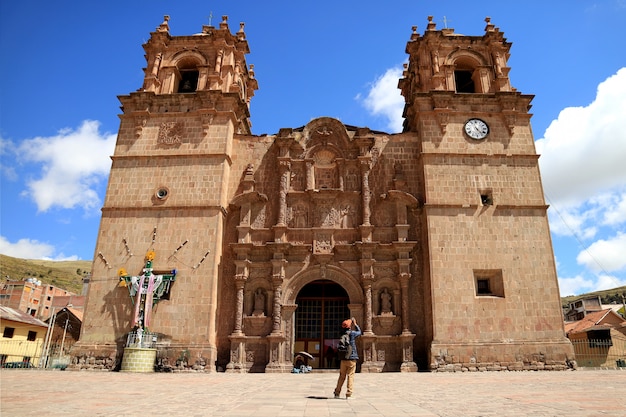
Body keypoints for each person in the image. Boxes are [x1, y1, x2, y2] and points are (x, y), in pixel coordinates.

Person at [334, 317, 362, 399]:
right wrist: (355, 324)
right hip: (352, 358)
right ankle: (349, 394)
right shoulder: (352, 334)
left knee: (341, 376)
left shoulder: (342, 334)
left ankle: (337, 393)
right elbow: (359, 332)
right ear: (350, 326)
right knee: (350, 376)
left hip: (343, 358)